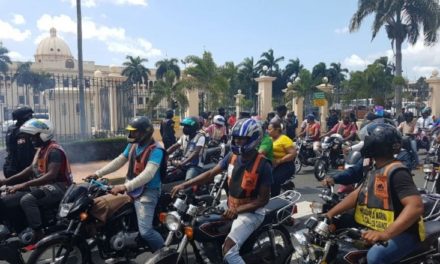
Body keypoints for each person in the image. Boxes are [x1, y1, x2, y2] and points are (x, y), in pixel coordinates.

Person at [170, 118, 272, 264]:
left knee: (229, 252)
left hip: (252, 213)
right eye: (236, 139)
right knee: (203, 223)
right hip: (230, 205)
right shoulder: (232, 156)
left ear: (254, 139)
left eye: (242, 140)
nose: (237, 142)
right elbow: (210, 173)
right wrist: (185, 185)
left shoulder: (263, 165)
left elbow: (263, 200)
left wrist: (238, 209)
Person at [325, 123, 425, 264]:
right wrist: (330, 214)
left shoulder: (397, 172)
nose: (365, 143)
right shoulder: (375, 168)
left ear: (377, 144)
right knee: (339, 230)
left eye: (368, 139)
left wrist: (385, 234)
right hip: (376, 226)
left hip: (404, 232)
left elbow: (415, 207)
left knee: (375, 257)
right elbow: (358, 193)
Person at [87, 116, 165, 252]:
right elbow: (120, 160)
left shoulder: (156, 150)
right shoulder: (133, 145)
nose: (131, 134)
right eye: (131, 131)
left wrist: (124, 187)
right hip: (131, 189)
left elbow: (148, 174)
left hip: (147, 192)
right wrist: (98, 174)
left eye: (135, 132)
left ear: (144, 133)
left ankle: (165, 253)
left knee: (146, 232)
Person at [0, 119, 72, 238]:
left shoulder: (54, 150)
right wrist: (6, 182)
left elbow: (51, 175)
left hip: (59, 186)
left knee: (27, 200)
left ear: (44, 134)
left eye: (34, 137)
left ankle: (38, 232)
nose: (32, 140)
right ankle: (18, 229)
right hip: (43, 186)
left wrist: (24, 185)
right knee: (7, 197)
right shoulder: (41, 150)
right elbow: (30, 169)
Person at [3, 106, 36, 178]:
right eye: (30, 116)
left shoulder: (11, 129)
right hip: (19, 170)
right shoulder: (22, 132)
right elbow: (23, 155)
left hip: (9, 166)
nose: (32, 118)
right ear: (25, 118)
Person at [268, 121, 297, 196]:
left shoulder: (284, 139)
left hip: (285, 165)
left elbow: (293, 154)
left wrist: (280, 161)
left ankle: (275, 200)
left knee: (274, 181)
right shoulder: (269, 139)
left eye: (270, 129)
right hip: (272, 165)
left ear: (277, 130)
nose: (268, 131)